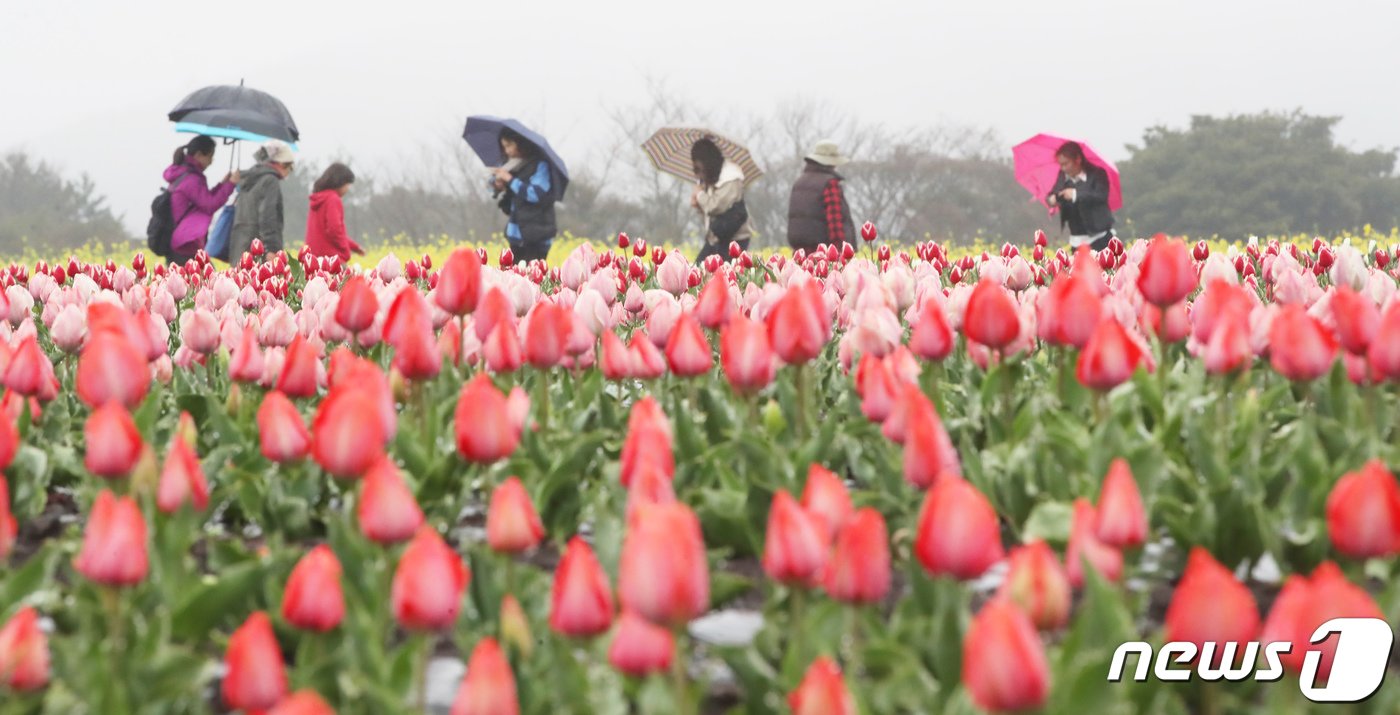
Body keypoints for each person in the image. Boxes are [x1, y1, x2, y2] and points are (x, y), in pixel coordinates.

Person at [162, 135, 238, 263]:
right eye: (209, 156)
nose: (211, 161)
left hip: (183, 240)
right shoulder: (191, 179)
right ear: (198, 155)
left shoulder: (186, 173)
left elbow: (203, 199)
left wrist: (223, 184)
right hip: (185, 243)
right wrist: (231, 184)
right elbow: (209, 205)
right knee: (208, 281)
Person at [489, 129, 558, 265]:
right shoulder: (512, 164)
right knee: (514, 279)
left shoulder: (540, 165)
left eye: (509, 145)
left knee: (533, 278)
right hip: (516, 233)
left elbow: (535, 194)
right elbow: (494, 182)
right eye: (504, 146)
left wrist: (509, 179)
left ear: (520, 144)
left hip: (537, 235)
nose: (506, 150)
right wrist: (497, 183)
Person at [228, 139, 295, 261]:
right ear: (282, 163)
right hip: (258, 248)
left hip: (239, 245)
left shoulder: (249, 179)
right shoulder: (270, 181)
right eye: (290, 167)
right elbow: (268, 216)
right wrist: (272, 249)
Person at [786, 139, 855, 252]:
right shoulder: (829, 184)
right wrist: (840, 251)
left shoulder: (799, 182)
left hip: (800, 251)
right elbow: (835, 222)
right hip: (824, 253)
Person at [691, 138, 752, 262]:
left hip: (734, 238)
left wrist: (700, 195)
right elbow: (708, 215)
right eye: (694, 170)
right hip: (716, 237)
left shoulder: (730, 178)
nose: (697, 175)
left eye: (698, 169)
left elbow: (715, 206)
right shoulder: (711, 180)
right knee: (698, 271)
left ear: (707, 163)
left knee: (724, 276)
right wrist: (698, 206)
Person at [1046, 141, 1115, 250]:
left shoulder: (1097, 174)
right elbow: (1052, 194)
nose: (1063, 168)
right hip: (1076, 240)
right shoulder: (1063, 177)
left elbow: (1101, 196)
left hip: (1099, 238)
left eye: (1066, 164)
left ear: (1078, 159)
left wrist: (1075, 195)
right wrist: (1051, 199)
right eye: (1061, 165)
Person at [304, 163, 364, 262]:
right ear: (339, 182)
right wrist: (345, 251)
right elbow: (334, 230)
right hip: (332, 260)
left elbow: (328, 233)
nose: (347, 189)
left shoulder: (317, 199)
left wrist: (355, 247)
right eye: (347, 184)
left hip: (313, 260)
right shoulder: (333, 199)